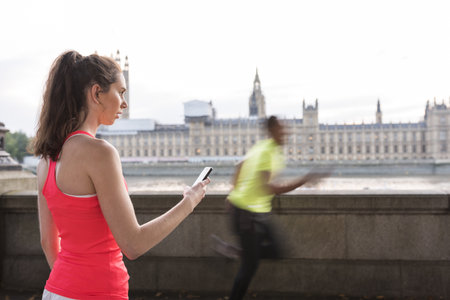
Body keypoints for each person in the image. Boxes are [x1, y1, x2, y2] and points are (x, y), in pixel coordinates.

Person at [34, 50, 210, 299]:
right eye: (121, 92)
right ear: (97, 93)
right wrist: (189, 202)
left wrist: (70, 284)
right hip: (99, 293)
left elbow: (47, 243)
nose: (124, 104)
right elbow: (133, 244)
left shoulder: (46, 159)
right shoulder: (100, 153)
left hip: (55, 290)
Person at [224, 116, 327, 300]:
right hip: (246, 213)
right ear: (272, 130)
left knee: (278, 250)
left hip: (257, 212)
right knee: (250, 267)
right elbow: (269, 188)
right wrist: (304, 180)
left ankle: (241, 252)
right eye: (281, 129)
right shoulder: (265, 153)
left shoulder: (264, 148)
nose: (286, 132)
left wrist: (232, 191)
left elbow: (239, 166)